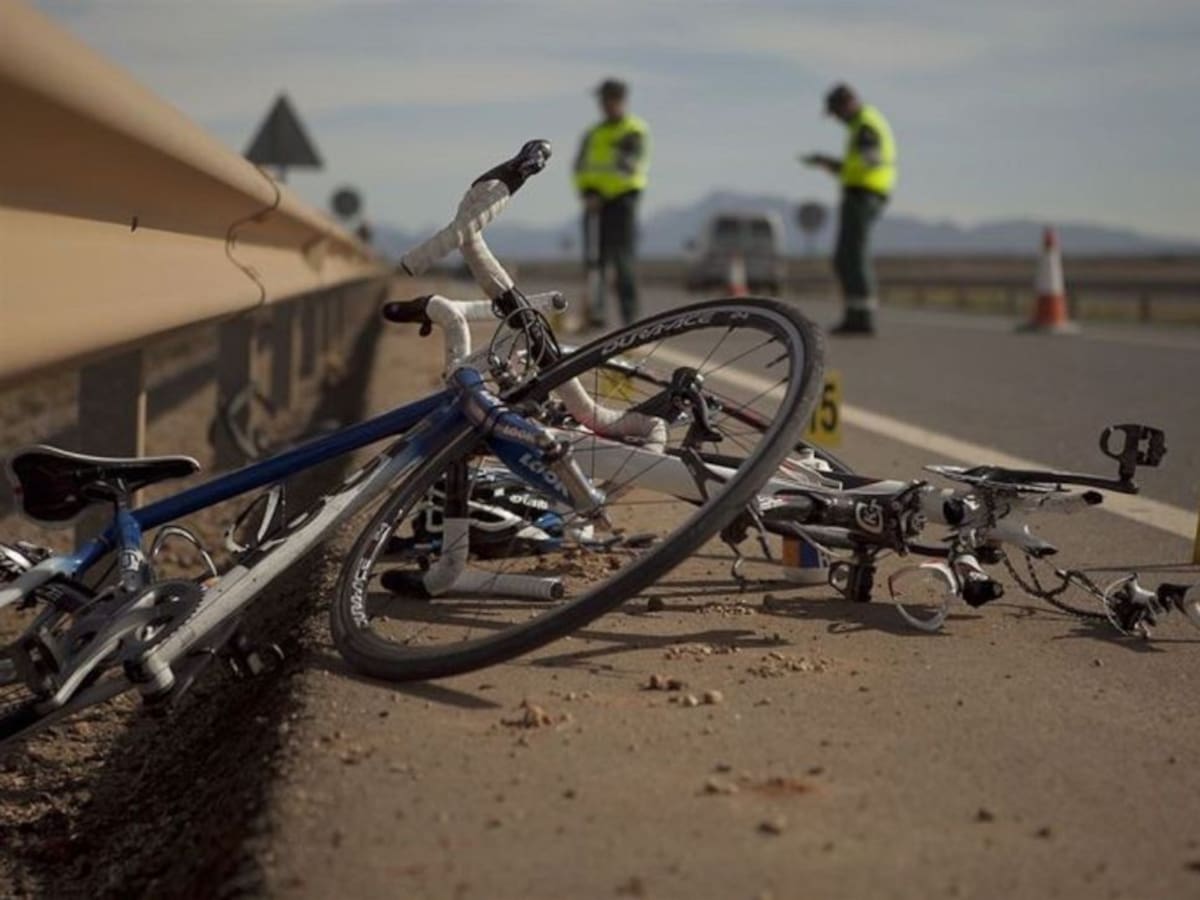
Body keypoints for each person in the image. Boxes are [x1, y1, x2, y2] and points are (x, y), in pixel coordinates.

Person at [802, 83, 896, 335]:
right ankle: (856, 314)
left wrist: (836, 165)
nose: (836, 119)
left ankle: (862, 317)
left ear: (847, 104)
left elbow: (869, 162)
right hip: (862, 192)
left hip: (864, 195)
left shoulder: (865, 125)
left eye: (836, 112)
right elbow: (858, 165)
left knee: (852, 255)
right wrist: (829, 163)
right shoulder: (861, 125)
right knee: (847, 256)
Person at [573, 78, 650, 328]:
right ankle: (596, 314)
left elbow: (628, 166)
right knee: (595, 260)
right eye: (602, 101)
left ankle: (629, 317)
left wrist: (603, 193)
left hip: (622, 201)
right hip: (594, 202)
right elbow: (580, 167)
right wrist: (587, 192)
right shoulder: (593, 133)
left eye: (608, 100)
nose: (604, 105)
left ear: (619, 101)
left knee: (622, 260)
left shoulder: (633, 131)